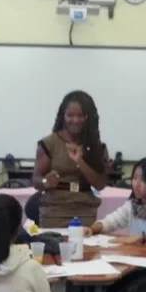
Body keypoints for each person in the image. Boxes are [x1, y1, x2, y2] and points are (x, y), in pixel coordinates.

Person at [32, 90, 111, 227]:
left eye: (80, 116)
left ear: (89, 117)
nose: (75, 120)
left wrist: (80, 162)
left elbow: (100, 185)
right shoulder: (49, 143)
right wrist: (46, 182)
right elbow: (35, 180)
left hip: (85, 211)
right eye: (70, 115)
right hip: (54, 210)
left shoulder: (97, 147)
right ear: (63, 116)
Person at [87, 158, 146, 244]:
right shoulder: (133, 205)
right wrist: (92, 229)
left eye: (143, 180)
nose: (136, 184)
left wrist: (142, 237)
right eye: (135, 178)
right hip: (136, 251)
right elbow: (111, 221)